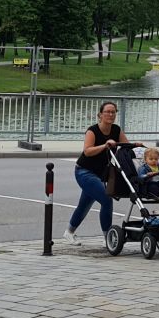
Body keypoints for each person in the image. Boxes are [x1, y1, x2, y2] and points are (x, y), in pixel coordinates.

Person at [68, 101, 128, 243]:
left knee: (84, 204)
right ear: (100, 115)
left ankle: (69, 232)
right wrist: (105, 146)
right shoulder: (92, 131)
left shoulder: (116, 130)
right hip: (84, 171)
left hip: (99, 175)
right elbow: (87, 151)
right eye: (107, 112)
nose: (111, 114)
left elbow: (125, 146)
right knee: (106, 199)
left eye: (113, 112)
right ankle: (108, 237)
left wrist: (137, 147)